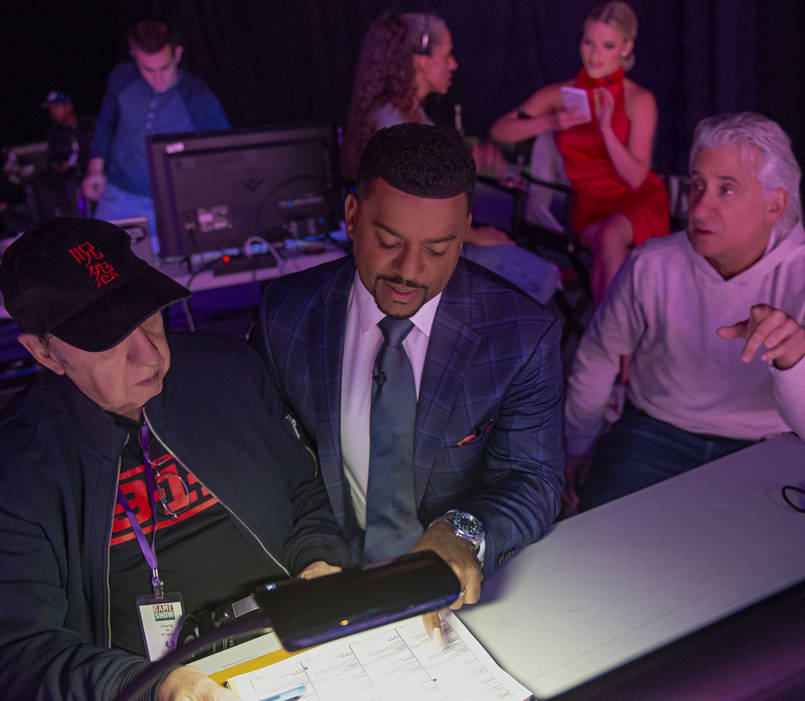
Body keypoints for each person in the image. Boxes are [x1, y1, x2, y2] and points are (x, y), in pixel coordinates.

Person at [0, 218, 350, 700]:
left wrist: (319, 563)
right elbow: (18, 653)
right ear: (45, 352)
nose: (149, 356)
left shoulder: (230, 370)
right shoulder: (16, 469)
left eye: (148, 315)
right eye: (109, 337)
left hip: (293, 644)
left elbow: (304, 492)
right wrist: (152, 685)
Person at [253, 123, 565, 641]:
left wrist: (461, 532)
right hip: (324, 583)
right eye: (390, 241)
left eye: (439, 250)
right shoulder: (284, 315)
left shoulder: (522, 335)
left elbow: (535, 480)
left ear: (465, 230)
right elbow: (272, 461)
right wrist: (311, 555)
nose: (410, 270)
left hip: (463, 600)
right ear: (352, 217)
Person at [564, 112, 805, 510]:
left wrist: (794, 359)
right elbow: (599, 354)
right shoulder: (652, 264)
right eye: (698, 185)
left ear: (775, 205)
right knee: (597, 548)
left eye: (727, 190)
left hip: (770, 443)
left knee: (776, 565)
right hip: (655, 428)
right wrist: (579, 446)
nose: (699, 209)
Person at [340, 11, 560, 306]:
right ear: (422, 61)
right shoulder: (392, 122)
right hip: (413, 256)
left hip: (430, 244)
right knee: (541, 276)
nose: (454, 64)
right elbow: (410, 217)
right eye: (447, 55)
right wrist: (473, 236)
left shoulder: (412, 114)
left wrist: (466, 163)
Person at [490, 1, 670, 305]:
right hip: (589, 206)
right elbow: (499, 131)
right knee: (611, 249)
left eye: (608, 45)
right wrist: (549, 121)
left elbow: (636, 178)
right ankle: (615, 345)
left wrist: (607, 131)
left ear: (626, 48)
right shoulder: (560, 94)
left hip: (636, 200)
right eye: (589, 42)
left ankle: (604, 344)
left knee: (611, 240)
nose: (595, 54)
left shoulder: (639, 99)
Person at [82, 19, 230, 251]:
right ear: (134, 56)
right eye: (147, 69)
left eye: (164, 68)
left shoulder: (197, 96)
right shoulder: (122, 77)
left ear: (177, 54)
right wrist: (95, 168)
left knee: (168, 276)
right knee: (100, 261)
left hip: (174, 202)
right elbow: (106, 122)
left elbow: (224, 151)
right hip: (120, 193)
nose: (157, 79)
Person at [34, 90, 95, 218]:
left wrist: (80, 164)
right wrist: (58, 165)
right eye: (51, 108)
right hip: (67, 174)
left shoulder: (89, 125)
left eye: (56, 107)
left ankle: (84, 220)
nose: (53, 112)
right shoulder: (54, 133)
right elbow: (52, 157)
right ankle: (48, 224)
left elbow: (96, 149)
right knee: (42, 180)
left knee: (72, 184)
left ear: (68, 107)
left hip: (89, 168)